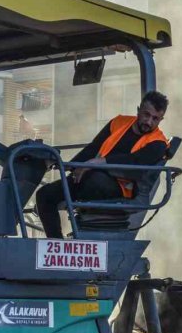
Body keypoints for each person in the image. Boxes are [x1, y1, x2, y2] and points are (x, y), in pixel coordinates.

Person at [35, 90, 170, 238]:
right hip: (90, 177)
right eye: (146, 115)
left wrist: (96, 163)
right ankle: (56, 243)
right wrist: (66, 165)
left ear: (161, 119)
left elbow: (133, 162)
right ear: (138, 110)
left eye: (155, 118)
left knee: (92, 179)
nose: (149, 122)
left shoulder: (158, 144)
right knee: (44, 195)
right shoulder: (118, 122)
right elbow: (93, 148)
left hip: (120, 189)